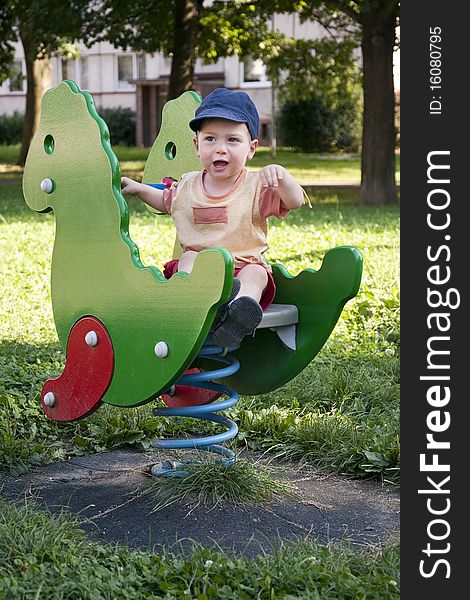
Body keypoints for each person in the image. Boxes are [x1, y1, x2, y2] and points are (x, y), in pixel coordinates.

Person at [121, 87, 304, 347]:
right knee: (189, 258)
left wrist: (283, 177)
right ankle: (202, 299)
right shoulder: (187, 185)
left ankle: (242, 309)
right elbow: (165, 201)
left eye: (232, 140)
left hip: (242, 268)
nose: (220, 149)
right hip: (201, 269)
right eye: (210, 139)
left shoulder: (256, 186)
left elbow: (294, 201)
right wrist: (140, 189)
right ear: (197, 145)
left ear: (251, 148)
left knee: (257, 274)